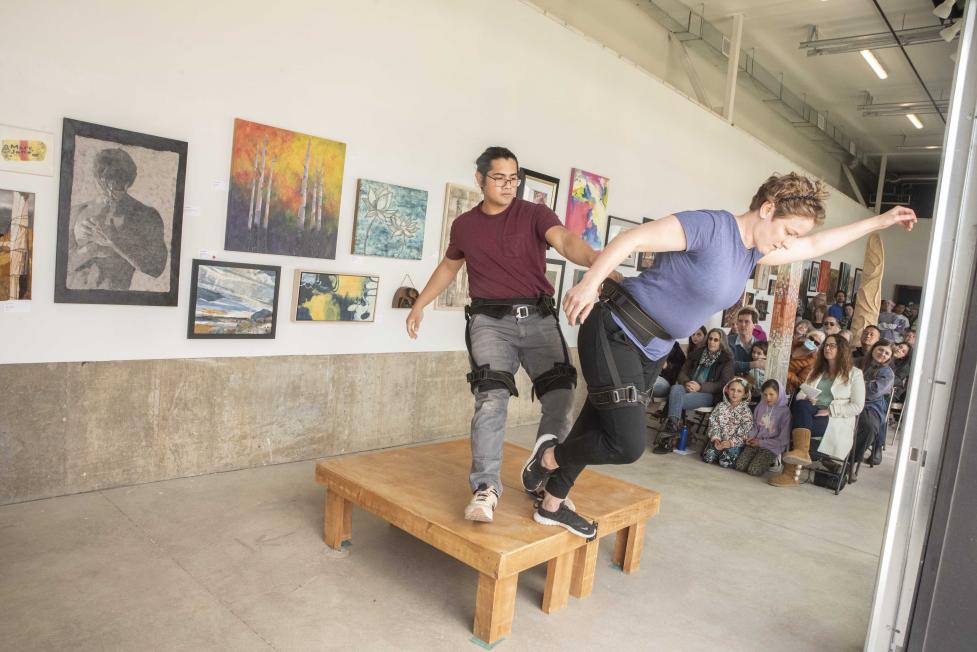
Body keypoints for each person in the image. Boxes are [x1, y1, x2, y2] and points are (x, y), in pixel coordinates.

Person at [519, 171, 914, 536]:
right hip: (617, 329)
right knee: (625, 443)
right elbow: (633, 238)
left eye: (793, 237)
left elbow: (814, 244)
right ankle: (549, 458)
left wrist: (879, 222)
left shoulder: (751, 253)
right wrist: (590, 283)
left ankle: (552, 503)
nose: (787, 242)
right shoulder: (710, 226)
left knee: (597, 424)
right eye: (787, 231)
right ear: (768, 209)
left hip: (653, 348)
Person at [406, 146, 603, 523]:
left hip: (538, 318)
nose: (508, 185)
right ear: (480, 179)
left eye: (514, 179)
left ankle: (545, 478)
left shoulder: (533, 214)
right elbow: (449, 268)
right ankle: (486, 488)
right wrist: (420, 304)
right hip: (488, 322)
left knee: (562, 396)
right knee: (491, 400)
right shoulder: (464, 225)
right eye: (500, 178)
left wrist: (597, 261)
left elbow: (564, 240)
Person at [769, 335, 865, 487]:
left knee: (797, 424)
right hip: (810, 411)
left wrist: (831, 410)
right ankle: (801, 452)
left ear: (842, 350)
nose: (827, 348)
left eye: (832, 346)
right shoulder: (817, 369)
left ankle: (790, 473)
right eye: (826, 345)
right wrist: (808, 397)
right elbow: (801, 392)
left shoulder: (855, 373)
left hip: (834, 418)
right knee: (801, 404)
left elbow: (857, 406)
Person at [67, 148, 167, 290]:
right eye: (103, 185)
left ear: (127, 183)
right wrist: (91, 249)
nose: (109, 192)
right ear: (96, 179)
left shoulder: (145, 215)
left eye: (117, 186)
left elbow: (156, 268)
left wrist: (113, 240)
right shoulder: (77, 211)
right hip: (74, 298)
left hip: (114, 300)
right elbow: (61, 267)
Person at [654, 327, 734, 453]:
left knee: (676, 398)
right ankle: (671, 432)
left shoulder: (726, 360)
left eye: (716, 340)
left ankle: (667, 440)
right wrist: (687, 382)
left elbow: (723, 384)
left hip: (708, 394)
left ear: (721, 342)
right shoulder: (696, 354)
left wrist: (700, 387)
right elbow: (682, 373)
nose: (712, 342)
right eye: (710, 339)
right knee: (675, 388)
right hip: (689, 387)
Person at [851, 340, 895, 478]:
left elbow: (873, 391)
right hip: (846, 400)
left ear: (890, 357)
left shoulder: (887, 372)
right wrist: (866, 384)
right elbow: (842, 379)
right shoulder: (856, 362)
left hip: (870, 406)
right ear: (874, 348)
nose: (883, 354)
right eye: (880, 349)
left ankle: (850, 462)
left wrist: (856, 383)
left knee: (869, 426)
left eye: (887, 353)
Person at [736, 379, 791, 477]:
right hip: (755, 442)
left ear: (780, 394)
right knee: (739, 466)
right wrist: (750, 437)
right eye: (765, 394)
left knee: (753, 470)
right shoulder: (761, 406)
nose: (768, 398)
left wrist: (761, 443)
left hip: (771, 447)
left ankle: (774, 460)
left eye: (771, 394)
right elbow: (755, 426)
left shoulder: (785, 413)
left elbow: (783, 440)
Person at [701, 378, 753, 468]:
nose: (735, 393)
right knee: (707, 458)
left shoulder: (746, 412)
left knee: (724, 462)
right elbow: (713, 423)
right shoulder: (720, 406)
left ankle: (725, 454)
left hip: (733, 444)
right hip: (719, 441)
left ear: (744, 395)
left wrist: (730, 442)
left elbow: (745, 432)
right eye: (732, 389)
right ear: (727, 390)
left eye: (739, 391)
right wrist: (716, 438)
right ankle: (715, 450)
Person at [652, 326, 704, 399]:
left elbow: (680, 370)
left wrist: (667, 366)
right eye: (693, 334)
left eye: (699, 334)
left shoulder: (675, 347)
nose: (695, 337)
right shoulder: (690, 353)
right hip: (653, 377)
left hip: (666, 380)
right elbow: (683, 374)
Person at [728, 306, 764, 376]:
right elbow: (728, 365)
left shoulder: (761, 346)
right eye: (740, 321)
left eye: (747, 321)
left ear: (755, 325)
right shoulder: (728, 341)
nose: (742, 325)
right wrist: (754, 364)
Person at [787, 330, 824, 394]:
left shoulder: (812, 361)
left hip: (786, 385)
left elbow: (800, 382)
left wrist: (787, 373)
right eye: (811, 338)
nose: (812, 342)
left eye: (816, 343)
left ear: (818, 347)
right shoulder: (793, 344)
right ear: (807, 336)